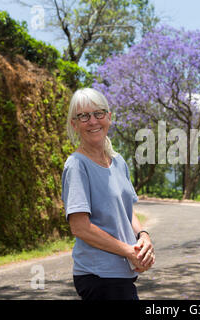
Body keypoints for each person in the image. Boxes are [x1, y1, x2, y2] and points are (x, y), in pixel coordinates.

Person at [61, 88, 155, 300]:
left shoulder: (119, 162)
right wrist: (129, 252)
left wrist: (143, 236)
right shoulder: (76, 165)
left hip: (121, 274)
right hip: (98, 276)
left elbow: (127, 212)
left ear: (109, 118)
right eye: (83, 116)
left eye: (98, 113)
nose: (93, 121)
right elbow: (80, 227)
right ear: (74, 124)